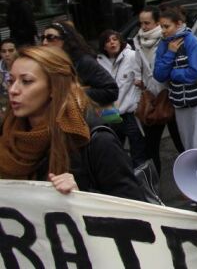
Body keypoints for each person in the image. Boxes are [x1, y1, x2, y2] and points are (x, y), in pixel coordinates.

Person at [0, 46, 144, 201]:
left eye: (26, 81)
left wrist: (82, 197)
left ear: (54, 87)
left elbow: (134, 208)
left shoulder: (95, 139)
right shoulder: (6, 134)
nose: (13, 90)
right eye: (11, 81)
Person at [154, 6, 197, 151]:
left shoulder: (192, 42)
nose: (163, 30)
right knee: (188, 146)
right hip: (179, 104)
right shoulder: (163, 44)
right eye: (161, 26)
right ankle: (192, 173)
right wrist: (170, 53)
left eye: (167, 26)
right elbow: (159, 75)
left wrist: (173, 74)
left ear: (179, 24)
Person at [133, 6, 184, 173]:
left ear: (157, 23)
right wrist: (138, 78)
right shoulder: (138, 41)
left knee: (180, 142)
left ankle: (192, 179)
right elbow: (138, 65)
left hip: (171, 96)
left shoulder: (168, 39)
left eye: (147, 23)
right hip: (152, 99)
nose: (144, 27)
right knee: (151, 146)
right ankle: (154, 187)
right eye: (141, 23)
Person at [97, 30, 146, 168]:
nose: (112, 42)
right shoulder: (99, 62)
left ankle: (145, 186)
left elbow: (143, 78)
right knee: (116, 154)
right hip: (110, 114)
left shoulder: (131, 56)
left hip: (131, 114)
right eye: (108, 41)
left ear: (120, 41)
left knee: (138, 154)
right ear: (103, 46)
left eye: (115, 39)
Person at [41, 21, 118, 107]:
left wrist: (75, 93)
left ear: (65, 40)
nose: (44, 42)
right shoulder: (47, 65)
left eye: (50, 37)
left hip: (86, 118)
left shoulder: (83, 62)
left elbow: (111, 91)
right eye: (42, 38)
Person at [0, 39, 17, 123]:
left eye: (11, 50)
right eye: (3, 51)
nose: (7, 54)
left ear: (17, 51)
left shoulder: (25, 67)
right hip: (3, 112)